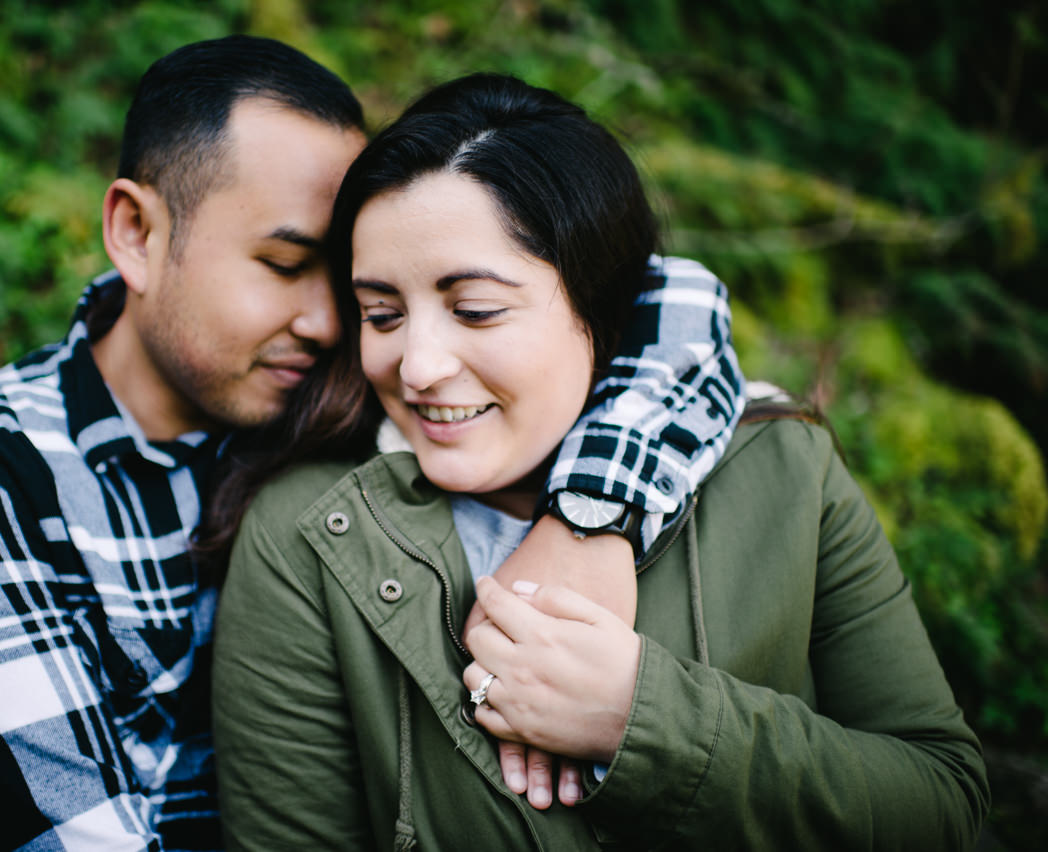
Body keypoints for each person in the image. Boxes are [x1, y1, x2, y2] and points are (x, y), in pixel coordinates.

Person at [0, 37, 743, 851]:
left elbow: (662, 298)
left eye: (343, 280)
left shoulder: (367, 385)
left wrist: (589, 519)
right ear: (137, 233)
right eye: (286, 265)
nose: (331, 321)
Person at [209, 73, 990, 850]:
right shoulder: (311, 535)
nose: (416, 366)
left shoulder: (783, 466)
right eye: (382, 313)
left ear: (600, 306)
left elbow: (943, 801)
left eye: (475, 310)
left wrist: (638, 718)